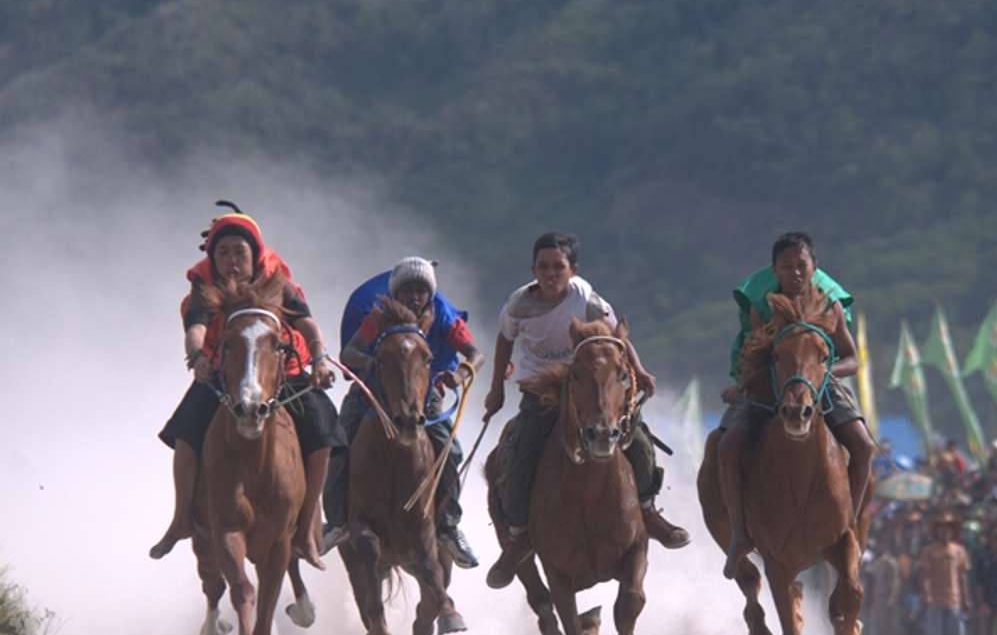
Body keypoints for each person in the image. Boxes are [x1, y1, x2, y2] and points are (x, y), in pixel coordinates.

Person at [482, 233, 688, 585]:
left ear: (572, 270)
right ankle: (519, 535)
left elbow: (617, 339)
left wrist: (638, 370)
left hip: (590, 383)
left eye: (558, 267)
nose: (550, 274)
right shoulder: (518, 304)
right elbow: (505, 338)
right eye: (543, 267)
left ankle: (649, 511)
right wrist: (496, 387)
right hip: (542, 389)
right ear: (533, 269)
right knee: (520, 451)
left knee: (636, 438)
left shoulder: (586, 299)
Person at [151, 206, 341, 569]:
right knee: (185, 433)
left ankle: (305, 532)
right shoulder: (204, 284)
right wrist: (197, 358)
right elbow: (196, 327)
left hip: (284, 370)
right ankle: (180, 520)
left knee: (324, 433)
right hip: (227, 373)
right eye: (223, 253)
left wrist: (319, 360)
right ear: (213, 257)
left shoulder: (277, 282)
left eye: (240, 252)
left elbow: (308, 325)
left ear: (255, 255)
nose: (232, 261)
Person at [715, 232, 876, 575]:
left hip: (818, 383)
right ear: (775, 270)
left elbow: (852, 359)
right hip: (769, 382)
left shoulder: (828, 304)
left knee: (863, 447)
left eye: (802, 266)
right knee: (728, 446)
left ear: (814, 267)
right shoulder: (763, 305)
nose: (795, 273)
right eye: (787, 267)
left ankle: (848, 526)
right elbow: (754, 357)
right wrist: (741, 387)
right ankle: (741, 535)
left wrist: (823, 371)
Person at [321, 257, 484, 568]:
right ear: (395, 292)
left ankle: (448, 527)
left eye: (420, 290)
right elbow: (348, 352)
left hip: (425, 394)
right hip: (372, 390)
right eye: (407, 289)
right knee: (338, 444)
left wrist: (460, 375)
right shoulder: (379, 316)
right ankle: (338, 522)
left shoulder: (443, 315)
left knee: (451, 452)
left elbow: (476, 354)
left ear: (429, 293)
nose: (414, 296)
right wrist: (371, 365)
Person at [918, 512, 971, 635]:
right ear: (937, 531)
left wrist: (966, 599)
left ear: (952, 531)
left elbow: (962, 576)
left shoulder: (959, 551)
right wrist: (926, 594)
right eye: (941, 529)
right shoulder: (929, 551)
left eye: (948, 529)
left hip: (954, 599)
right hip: (935, 599)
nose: (944, 532)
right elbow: (925, 575)